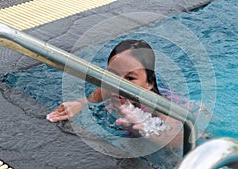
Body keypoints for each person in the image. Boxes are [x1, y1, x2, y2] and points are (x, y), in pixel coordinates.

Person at [46, 39, 183, 148]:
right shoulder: (106, 89)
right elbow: (91, 100)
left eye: (130, 78)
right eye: (113, 75)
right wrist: (79, 104)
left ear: (149, 83)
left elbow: (177, 139)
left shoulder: (159, 105)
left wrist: (149, 130)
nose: (118, 85)